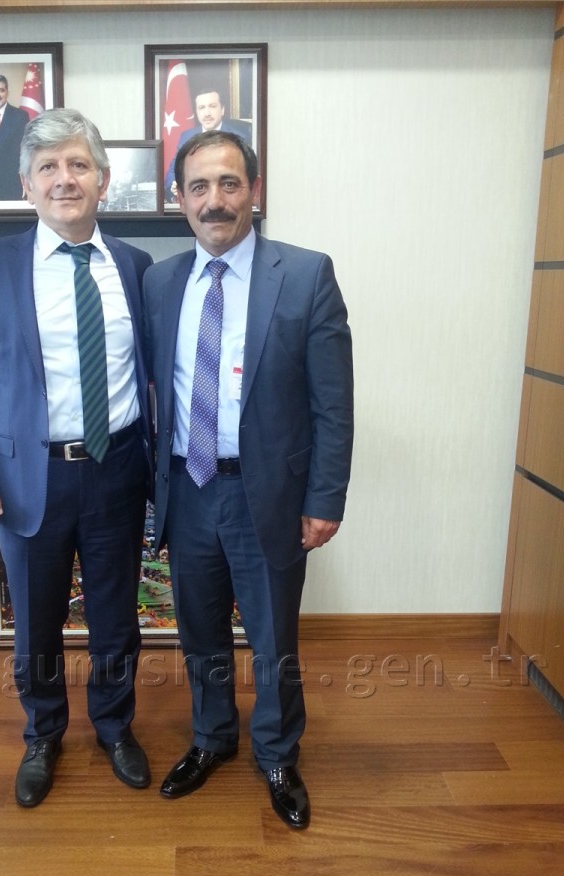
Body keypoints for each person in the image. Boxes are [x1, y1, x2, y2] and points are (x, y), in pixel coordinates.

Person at [144, 131, 353, 830]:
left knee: (272, 638)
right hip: (188, 488)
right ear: (180, 199)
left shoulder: (306, 275)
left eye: (230, 183)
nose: (215, 200)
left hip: (270, 494)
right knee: (199, 630)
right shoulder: (160, 283)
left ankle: (278, 754)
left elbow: (333, 403)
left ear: (254, 191)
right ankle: (211, 738)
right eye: (199, 187)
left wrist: (325, 497)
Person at [0, 108, 154, 808]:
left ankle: (115, 726)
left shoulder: (135, 267)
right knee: (36, 621)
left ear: (103, 180)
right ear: (27, 185)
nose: (65, 179)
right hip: (28, 476)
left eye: (78, 165)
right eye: (48, 168)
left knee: (116, 615)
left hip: (118, 467)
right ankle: (42, 735)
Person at [164, 88, 252, 201]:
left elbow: (246, 175)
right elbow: (173, 170)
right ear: (196, 112)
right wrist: (175, 185)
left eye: (212, 106)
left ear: (222, 110)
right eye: (201, 108)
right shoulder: (186, 137)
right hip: (196, 198)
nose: (207, 113)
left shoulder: (240, 137)